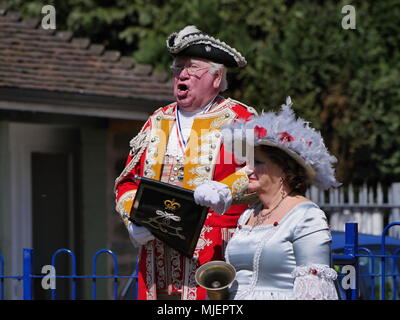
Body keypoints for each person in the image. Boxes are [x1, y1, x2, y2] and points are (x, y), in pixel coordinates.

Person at [114, 25, 257, 300]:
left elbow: (262, 174)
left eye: (192, 69)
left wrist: (226, 189)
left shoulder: (238, 119)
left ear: (217, 78)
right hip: (156, 262)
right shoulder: (157, 120)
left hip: (215, 256)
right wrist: (134, 218)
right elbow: (127, 182)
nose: (182, 75)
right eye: (178, 69)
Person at [221, 97, 340, 300]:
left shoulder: (307, 216)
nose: (247, 170)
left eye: (257, 162)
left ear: (283, 170)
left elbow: (315, 292)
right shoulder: (248, 214)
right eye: (247, 162)